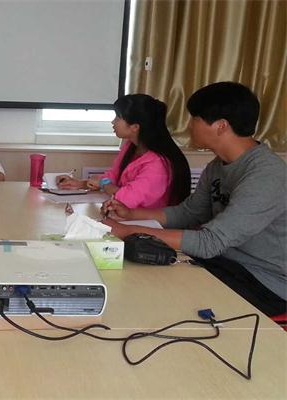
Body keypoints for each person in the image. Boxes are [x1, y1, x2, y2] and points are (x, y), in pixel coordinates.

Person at [102, 82, 286, 317]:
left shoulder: (266, 175)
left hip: (264, 282)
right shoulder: (218, 165)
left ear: (221, 126)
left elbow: (210, 242)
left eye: (195, 119)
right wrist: (131, 214)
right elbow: (188, 213)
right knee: (139, 274)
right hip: (224, 263)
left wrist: (127, 231)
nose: (189, 125)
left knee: (164, 297)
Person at [56, 94, 191, 208]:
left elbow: (127, 199)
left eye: (117, 118)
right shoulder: (130, 146)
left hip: (148, 223)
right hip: (127, 215)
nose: (113, 122)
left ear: (135, 127)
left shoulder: (158, 164)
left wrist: (103, 183)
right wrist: (81, 184)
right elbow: (114, 175)